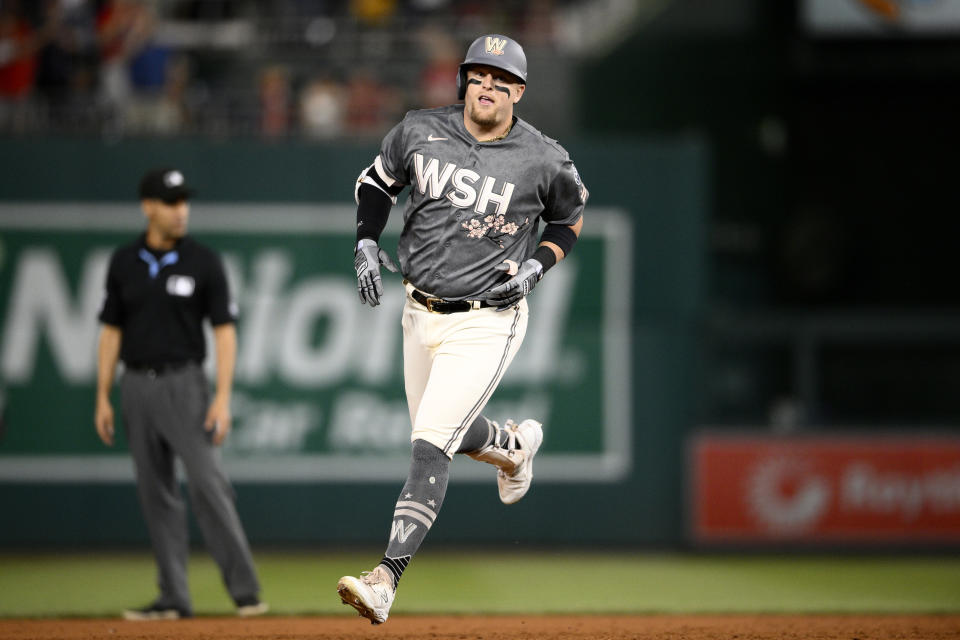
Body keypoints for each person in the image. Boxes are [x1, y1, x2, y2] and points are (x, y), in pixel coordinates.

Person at [337, 33, 588, 625]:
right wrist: (366, 242)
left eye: (501, 80)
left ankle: (385, 579)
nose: (488, 86)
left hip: (489, 318)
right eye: (478, 75)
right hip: (418, 310)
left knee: (429, 444)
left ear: (519, 92)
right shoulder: (420, 129)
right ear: (464, 82)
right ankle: (511, 449)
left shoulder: (543, 156)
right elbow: (375, 184)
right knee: (446, 428)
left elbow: (570, 216)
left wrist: (535, 266)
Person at [94, 168, 268, 621]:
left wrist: (222, 397)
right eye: (171, 202)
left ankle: (247, 595)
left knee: (209, 486)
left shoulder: (203, 262)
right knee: (156, 494)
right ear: (148, 206)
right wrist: (102, 395)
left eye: (183, 201)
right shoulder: (124, 262)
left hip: (186, 383)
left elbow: (225, 334)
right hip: (135, 384)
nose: (181, 210)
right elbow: (110, 332)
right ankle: (173, 598)